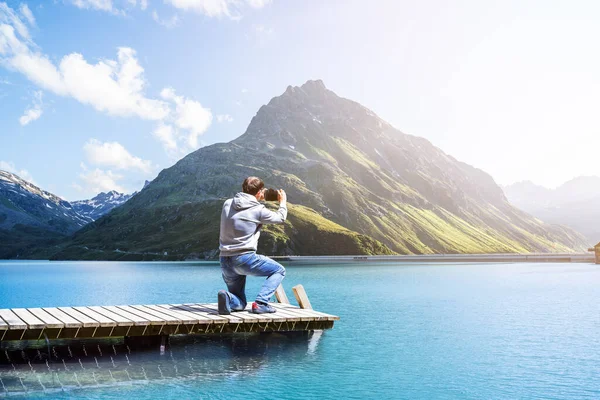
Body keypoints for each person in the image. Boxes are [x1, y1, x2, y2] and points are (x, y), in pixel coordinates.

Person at [217, 176, 288, 315]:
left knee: (240, 302)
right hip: (244, 258)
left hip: (225, 260)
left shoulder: (227, 203)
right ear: (259, 192)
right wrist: (283, 202)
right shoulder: (258, 210)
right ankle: (261, 303)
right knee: (279, 270)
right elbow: (281, 218)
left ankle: (228, 297)